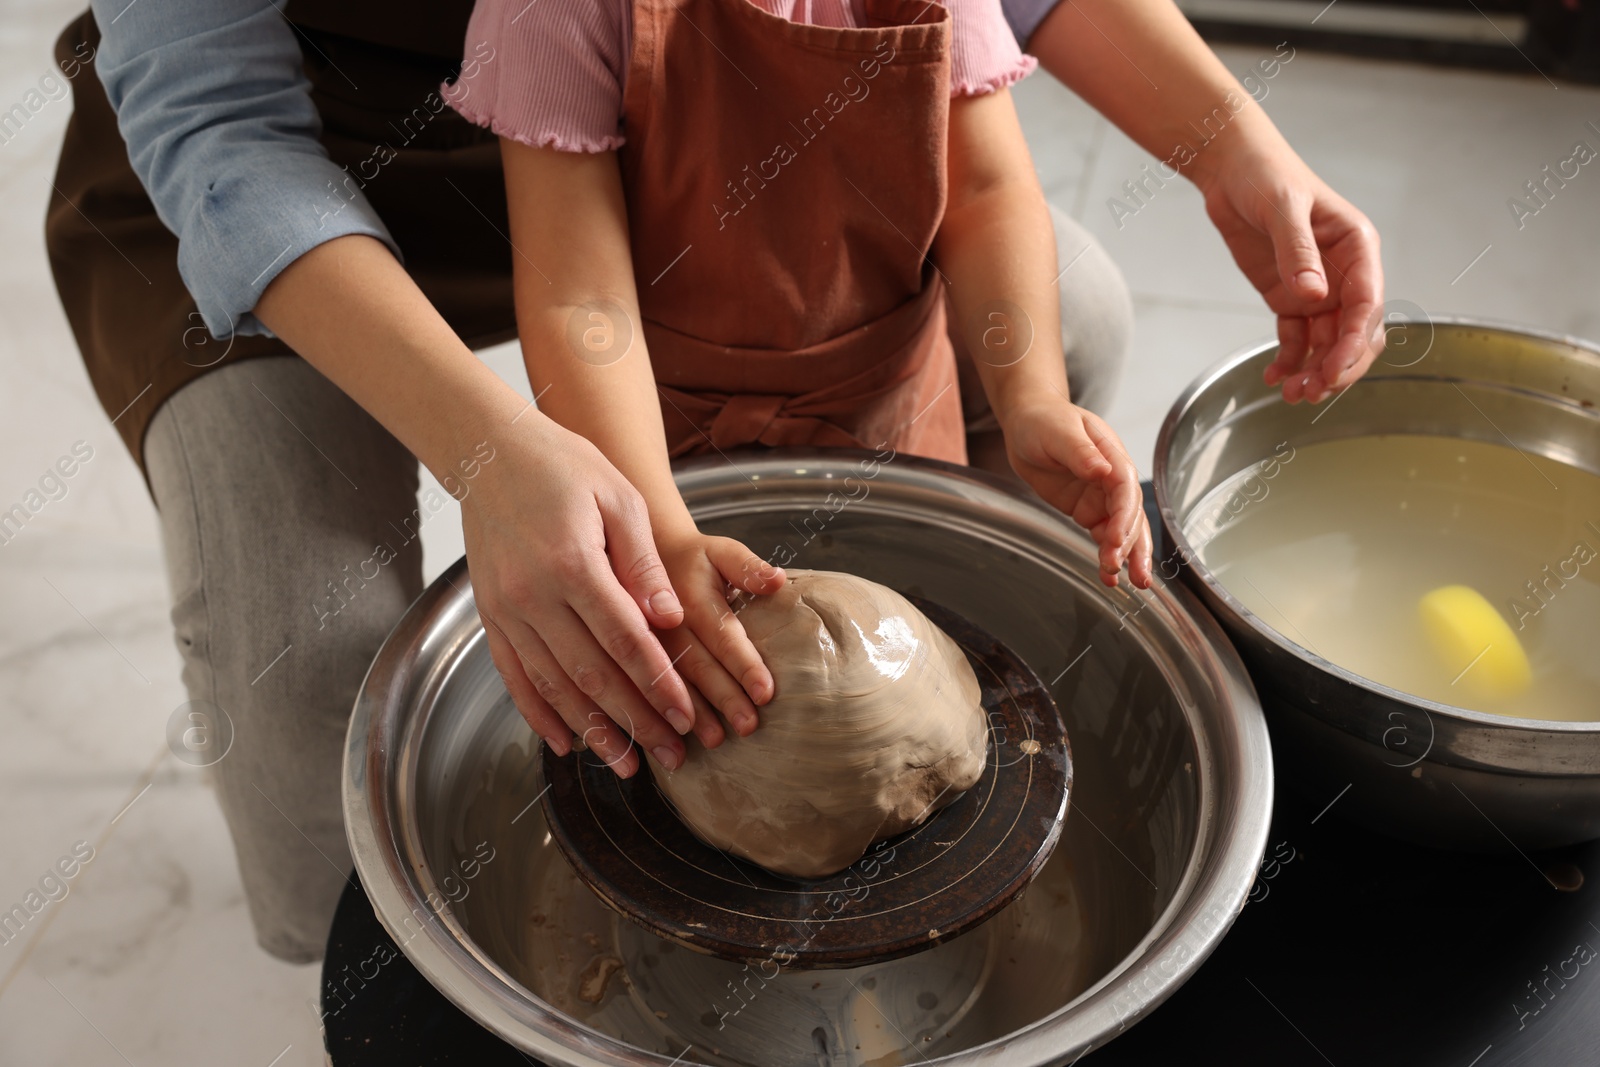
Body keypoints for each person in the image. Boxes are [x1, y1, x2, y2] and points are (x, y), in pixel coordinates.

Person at [44, 0, 1380, 964]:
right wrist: (527, 469)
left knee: (1065, 312)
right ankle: (381, 962)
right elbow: (253, 152)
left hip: (657, 134)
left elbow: (987, 168)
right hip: (286, 163)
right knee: (311, 659)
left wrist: (1226, 161)